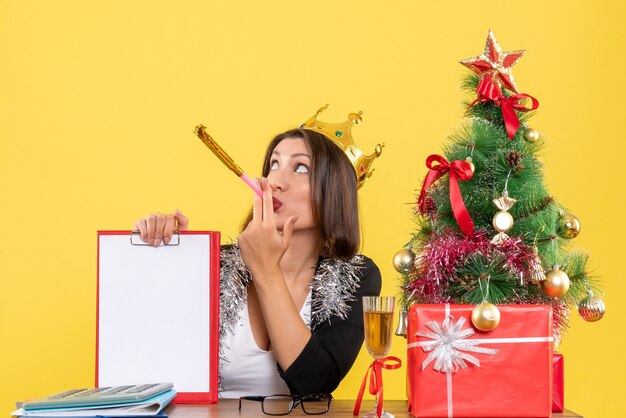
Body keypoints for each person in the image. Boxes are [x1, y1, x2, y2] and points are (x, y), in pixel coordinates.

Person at [133, 108, 383, 397]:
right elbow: (156, 356)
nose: (275, 180)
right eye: (273, 164)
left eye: (300, 167)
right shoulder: (215, 262)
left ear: (335, 190)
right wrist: (168, 256)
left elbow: (316, 384)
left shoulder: (358, 276)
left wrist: (266, 270)